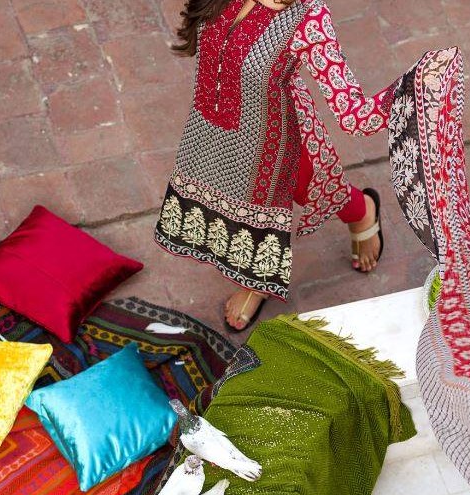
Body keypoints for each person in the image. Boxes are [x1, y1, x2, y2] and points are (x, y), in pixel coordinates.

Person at [154, 0, 397, 331]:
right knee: (306, 185)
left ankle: (258, 282)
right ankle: (361, 209)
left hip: (274, 138)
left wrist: (413, 88)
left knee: (285, 196)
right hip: (217, 125)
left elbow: (354, 113)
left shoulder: (310, 17)